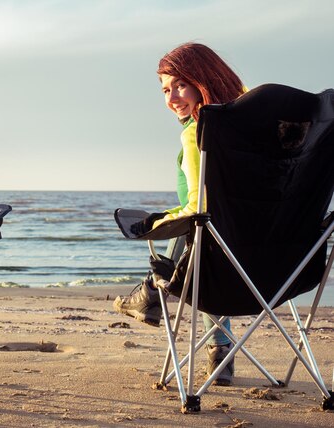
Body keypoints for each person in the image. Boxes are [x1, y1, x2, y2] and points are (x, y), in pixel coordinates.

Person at [113, 42, 247, 386]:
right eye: (165, 90)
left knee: (198, 232)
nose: (171, 99)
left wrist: (154, 222)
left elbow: (199, 207)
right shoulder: (258, 125)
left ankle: (153, 292)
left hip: (221, 264)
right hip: (282, 269)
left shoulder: (198, 132)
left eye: (180, 85)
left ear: (204, 81)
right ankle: (215, 346)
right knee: (206, 234)